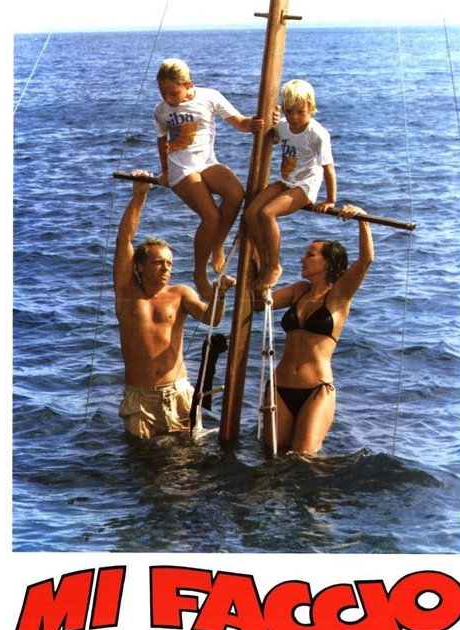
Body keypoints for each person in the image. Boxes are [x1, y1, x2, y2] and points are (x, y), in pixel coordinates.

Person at [114, 170, 235, 440]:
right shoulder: (126, 293)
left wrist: (220, 294)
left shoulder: (180, 293)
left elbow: (212, 319)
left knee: (186, 461)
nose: (166, 268)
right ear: (140, 266)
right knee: (142, 459)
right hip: (140, 397)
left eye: (169, 263)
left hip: (177, 393)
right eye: (158, 263)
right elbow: (124, 239)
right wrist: (139, 196)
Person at [257, 205, 373, 454]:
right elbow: (258, 304)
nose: (302, 259)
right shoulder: (298, 290)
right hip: (279, 387)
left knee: (303, 459)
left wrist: (361, 219)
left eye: (310, 255)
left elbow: (365, 261)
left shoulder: (339, 296)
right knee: (272, 457)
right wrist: (261, 267)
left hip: (316, 390)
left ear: (328, 263)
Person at [154, 58, 264, 301]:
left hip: (206, 162)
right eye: (163, 93)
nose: (168, 99)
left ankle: (218, 245)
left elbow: (240, 122)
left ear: (188, 85)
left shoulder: (209, 97)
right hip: (181, 168)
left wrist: (256, 123)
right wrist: (165, 171)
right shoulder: (161, 110)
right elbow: (162, 141)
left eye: (173, 93)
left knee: (236, 194)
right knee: (211, 217)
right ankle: (199, 274)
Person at [245, 79, 337, 290]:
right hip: (286, 180)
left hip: (305, 184)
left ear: (311, 108)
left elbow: (328, 168)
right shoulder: (283, 126)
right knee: (250, 214)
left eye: (300, 112)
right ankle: (265, 260)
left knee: (267, 213)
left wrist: (330, 200)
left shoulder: (317, 134)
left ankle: (274, 266)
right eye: (289, 111)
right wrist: (271, 121)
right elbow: (271, 137)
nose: (294, 117)